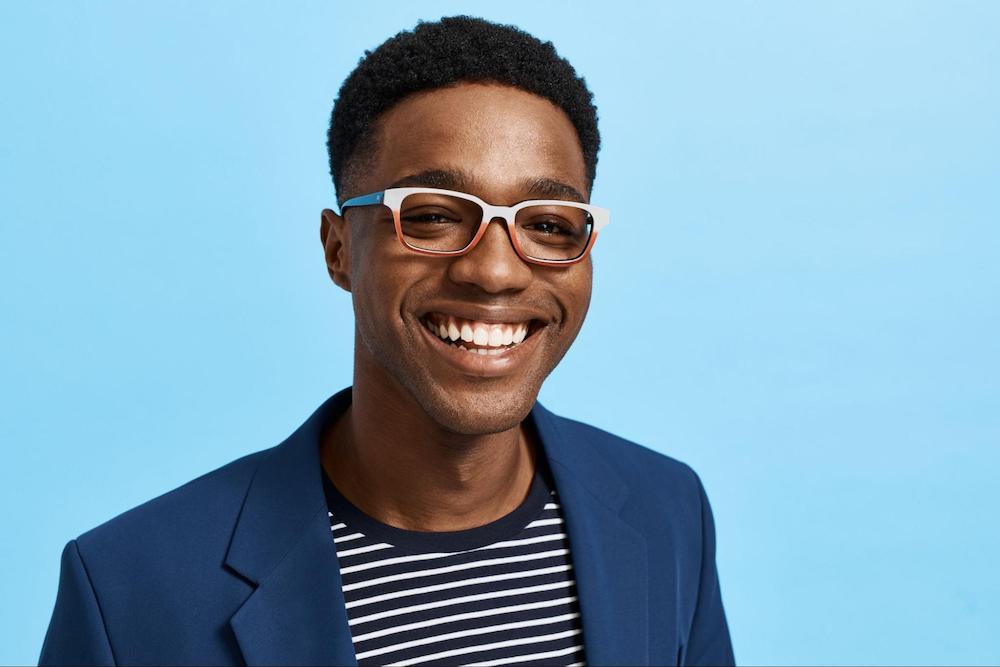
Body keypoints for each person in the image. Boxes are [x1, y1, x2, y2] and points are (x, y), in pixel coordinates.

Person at [40, 16, 734, 666]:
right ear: (339, 248)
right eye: (431, 216)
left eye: (548, 224)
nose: (495, 270)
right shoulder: (130, 590)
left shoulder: (670, 512)